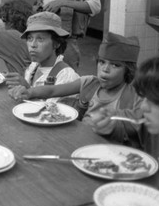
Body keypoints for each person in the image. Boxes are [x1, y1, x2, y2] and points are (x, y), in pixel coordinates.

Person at [10, 32, 143, 146]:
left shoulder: (131, 98)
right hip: (78, 140)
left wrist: (115, 127)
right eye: (102, 62)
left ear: (128, 70)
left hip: (107, 148)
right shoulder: (90, 83)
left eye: (115, 65)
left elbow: (136, 133)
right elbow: (53, 90)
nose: (105, 69)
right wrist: (29, 92)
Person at [91, 50, 159, 192]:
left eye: (154, 101)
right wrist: (105, 124)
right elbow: (126, 120)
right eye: (144, 97)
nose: (144, 106)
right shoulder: (156, 122)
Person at [6, 12, 79, 102]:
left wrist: (27, 89)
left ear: (56, 43)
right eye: (30, 38)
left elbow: (57, 113)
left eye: (40, 39)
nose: (33, 45)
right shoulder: (34, 66)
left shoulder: (66, 77)